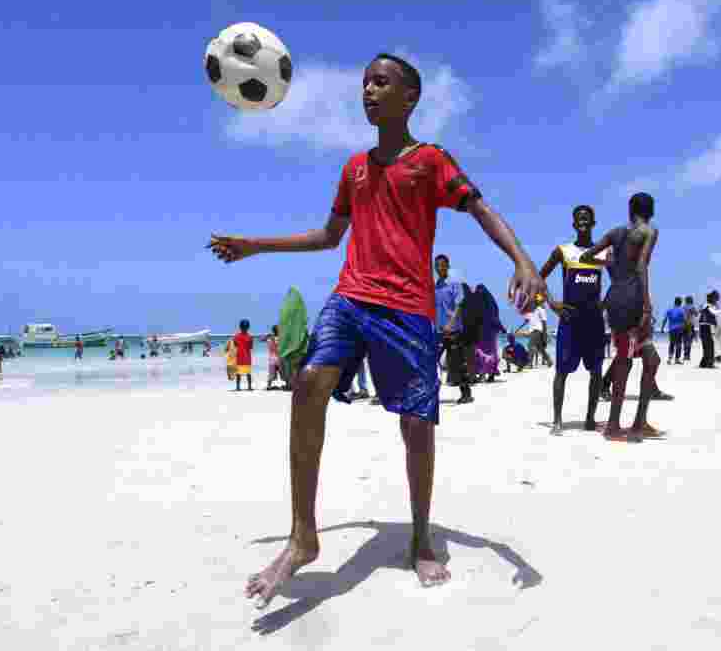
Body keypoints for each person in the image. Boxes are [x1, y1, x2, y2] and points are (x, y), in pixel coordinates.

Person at [207, 52, 545, 606]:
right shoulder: (354, 168)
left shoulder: (431, 160)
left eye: (380, 82)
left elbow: (480, 208)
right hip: (351, 297)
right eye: (364, 81)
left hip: (408, 311)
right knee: (309, 381)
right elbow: (327, 236)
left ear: (408, 98)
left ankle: (419, 535)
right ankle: (302, 537)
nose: (367, 89)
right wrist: (255, 246)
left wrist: (523, 261)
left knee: (416, 426)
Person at [580, 192, 662, 442]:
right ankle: (613, 426)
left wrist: (610, 265)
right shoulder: (649, 231)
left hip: (615, 298)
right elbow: (641, 266)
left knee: (651, 360)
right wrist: (647, 305)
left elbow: (586, 257)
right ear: (651, 210)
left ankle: (639, 421)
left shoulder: (615, 233)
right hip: (633, 300)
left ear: (631, 210)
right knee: (625, 362)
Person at [537, 205, 609, 435]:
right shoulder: (563, 251)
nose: (583, 222)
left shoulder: (603, 252)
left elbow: (620, 280)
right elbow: (538, 279)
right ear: (573, 223)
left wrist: (605, 304)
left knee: (596, 371)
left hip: (594, 323)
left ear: (594, 223)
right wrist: (551, 302)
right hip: (569, 320)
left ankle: (590, 419)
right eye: (579, 219)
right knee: (561, 371)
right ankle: (557, 421)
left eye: (587, 219)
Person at [435, 255, 475, 405]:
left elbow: (459, 305)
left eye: (442, 265)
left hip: (454, 330)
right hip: (439, 330)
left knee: (458, 362)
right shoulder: (437, 285)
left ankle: (466, 393)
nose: (439, 268)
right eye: (437, 265)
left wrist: (450, 324)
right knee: (432, 360)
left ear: (447, 266)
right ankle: (431, 392)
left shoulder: (454, 283)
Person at [473, 284, 504, 383]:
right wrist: (501, 327)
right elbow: (495, 317)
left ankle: (482, 374)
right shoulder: (492, 302)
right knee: (491, 353)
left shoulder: (476, 302)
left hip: (480, 332)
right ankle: (491, 374)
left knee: (480, 353)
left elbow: (473, 317)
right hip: (491, 332)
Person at [516, 302, 552, 368]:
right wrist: (519, 328)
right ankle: (549, 360)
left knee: (530, 345)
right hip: (533, 331)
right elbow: (527, 320)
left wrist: (544, 334)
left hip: (537, 330)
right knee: (540, 348)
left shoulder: (540, 309)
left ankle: (529, 363)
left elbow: (544, 323)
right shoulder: (529, 310)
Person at [661, 297, 686, 365]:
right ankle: (677, 359)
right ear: (680, 303)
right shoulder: (682, 310)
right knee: (679, 344)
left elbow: (665, 319)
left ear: (674, 302)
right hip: (679, 329)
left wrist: (662, 328)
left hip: (671, 329)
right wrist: (685, 328)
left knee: (672, 343)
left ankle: (669, 358)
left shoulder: (669, 310)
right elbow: (684, 320)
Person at [233, 319, 255, 392]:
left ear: (240, 327)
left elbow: (235, 345)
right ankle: (249, 387)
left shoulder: (236, 336)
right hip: (247, 357)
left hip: (239, 356)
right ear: (248, 327)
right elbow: (251, 347)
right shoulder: (250, 337)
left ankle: (238, 387)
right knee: (248, 373)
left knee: (238, 373)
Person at [699, 291, 718, 369]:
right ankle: (709, 363)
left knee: (706, 345)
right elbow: (712, 314)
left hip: (703, 327)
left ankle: (704, 363)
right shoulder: (709, 306)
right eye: (716, 298)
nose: (717, 300)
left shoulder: (705, 305)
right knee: (710, 345)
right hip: (707, 327)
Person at [263, 325, 283, 390]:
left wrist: (267, 336)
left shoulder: (269, 339)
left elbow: (261, 340)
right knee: (283, 373)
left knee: (271, 374)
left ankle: (269, 386)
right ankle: (288, 384)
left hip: (272, 358)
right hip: (279, 358)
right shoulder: (281, 338)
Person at [682, 296, 697, 362]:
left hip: (683, 325)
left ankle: (685, 355)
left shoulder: (683, 307)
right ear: (691, 300)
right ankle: (687, 355)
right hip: (690, 325)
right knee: (689, 341)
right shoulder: (692, 307)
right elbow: (696, 314)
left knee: (684, 341)